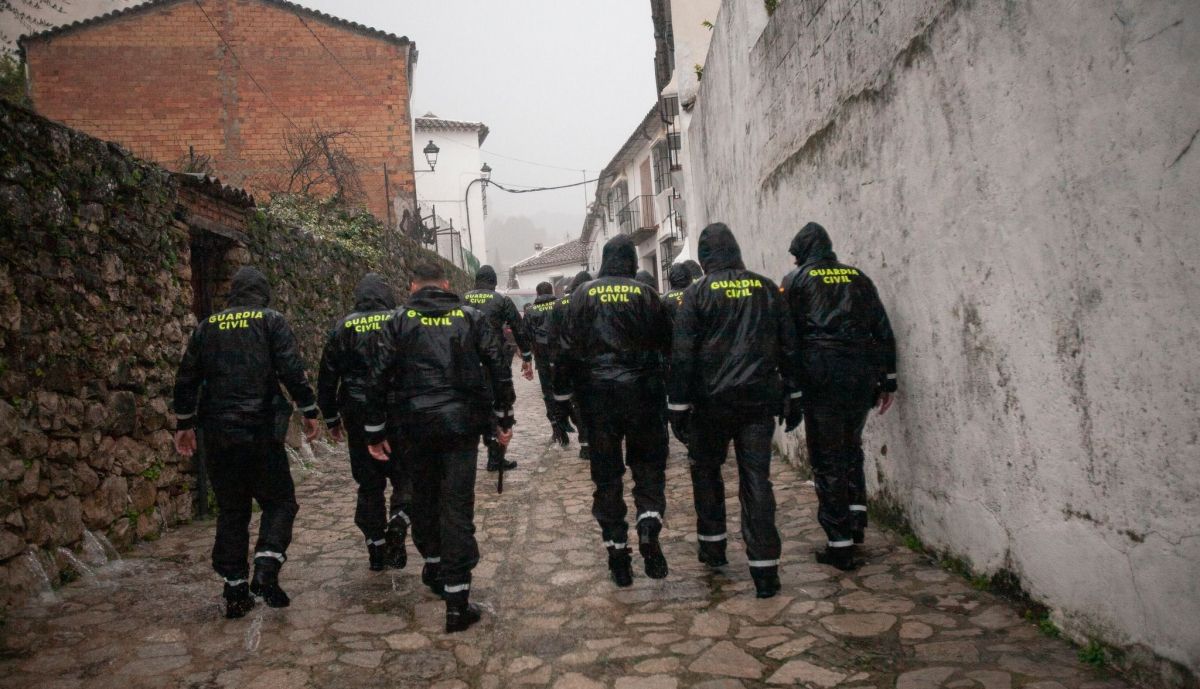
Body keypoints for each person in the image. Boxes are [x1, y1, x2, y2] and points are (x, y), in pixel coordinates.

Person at [364, 260, 514, 633]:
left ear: (412, 286)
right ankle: (457, 603)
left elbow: (377, 375)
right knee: (456, 507)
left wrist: (374, 430)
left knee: (423, 500)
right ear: (446, 284)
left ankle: (434, 565)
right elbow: (497, 365)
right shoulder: (470, 317)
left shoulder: (397, 320)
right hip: (460, 427)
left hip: (413, 427)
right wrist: (503, 417)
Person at [173, 266, 321, 618]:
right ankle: (267, 566)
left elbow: (187, 377)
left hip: (219, 434)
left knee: (232, 509)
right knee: (280, 502)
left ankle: (235, 588)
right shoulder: (271, 321)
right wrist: (309, 408)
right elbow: (290, 368)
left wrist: (184, 423)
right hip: (261, 431)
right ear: (263, 293)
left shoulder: (206, 327)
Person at [667, 224, 798, 599]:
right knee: (757, 479)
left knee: (706, 473)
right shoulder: (766, 288)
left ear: (705, 257)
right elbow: (788, 344)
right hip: (758, 403)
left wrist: (678, 405)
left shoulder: (697, 294)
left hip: (711, 405)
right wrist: (794, 392)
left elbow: (683, 354)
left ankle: (713, 546)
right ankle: (765, 570)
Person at [781, 222, 897, 571]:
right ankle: (857, 518)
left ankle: (839, 542)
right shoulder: (858, 278)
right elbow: (882, 327)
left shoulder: (795, 282)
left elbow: (788, 338)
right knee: (851, 447)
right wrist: (888, 379)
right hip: (860, 375)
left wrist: (792, 388)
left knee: (827, 457)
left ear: (801, 252)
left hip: (821, 377)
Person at [557, 236, 671, 587]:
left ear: (605, 260)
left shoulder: (580, 296)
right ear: (633, 261)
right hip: (643, 397)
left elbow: (564, 351)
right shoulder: (648, 296)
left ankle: (618, 553)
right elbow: (668, 347)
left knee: (607, 477)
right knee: (648, 468)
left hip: (598, 399)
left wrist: (562, 401)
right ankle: (648, 524)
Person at [317, 274, 411, 572]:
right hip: (397, 411)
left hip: (356, 413)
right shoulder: (400, 321)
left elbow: (327, 377)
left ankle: (375, 546)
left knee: (368, 483)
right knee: (405, 477)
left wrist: (331, 417)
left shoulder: (343, 327)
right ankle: (399, 521)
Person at [465, 265, 533, 473]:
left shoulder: (462, 300)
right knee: (500, 405)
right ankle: (495, 457)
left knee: (471, 408)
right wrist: (527, 355)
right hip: (495, 361)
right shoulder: (502, 300)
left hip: (469, 362)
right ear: (494, 282)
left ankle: (465, 459)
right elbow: (518, 328)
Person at [548, 271, 593, 457]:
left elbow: (553, 336)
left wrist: (554, 363)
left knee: (578, 402)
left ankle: (585, 443)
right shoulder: (590, 300)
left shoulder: (558, 305)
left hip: (567, 361)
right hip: (590, 359)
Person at [522, 281, 565, 441]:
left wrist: (527, 359)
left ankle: (556, 428)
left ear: (537, 294)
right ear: (552, 291)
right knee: (567, 391)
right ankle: (581, 436)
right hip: (562, 357)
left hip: (542, 359)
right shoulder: (561, 306)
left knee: (548, 394)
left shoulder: (531, 311)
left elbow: (524, 335)